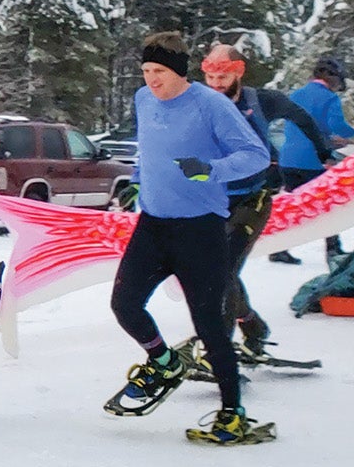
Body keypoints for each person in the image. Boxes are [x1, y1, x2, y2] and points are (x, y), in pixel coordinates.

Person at [103, 31, 276, 444]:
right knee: (124, 304)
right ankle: (163, 361)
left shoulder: (210, 105)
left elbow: (254, 156)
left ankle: (232, 412)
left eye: (159, 71)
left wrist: (211, 170)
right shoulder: (144, 100)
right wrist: (137, 181)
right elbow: (150, 150)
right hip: (153, 223)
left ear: (179, 71)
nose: (151, 80)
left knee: (210, 325)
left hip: (200, 228)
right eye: (145, 71)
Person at [200, 43, 335, 361]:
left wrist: (323, 150)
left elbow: (301, 118)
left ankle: (218, 351)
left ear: (238, 73)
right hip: (213, 201)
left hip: (253, 198)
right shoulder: (198, 102)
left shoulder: (262, 101)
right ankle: (253, 327)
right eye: (211, 77)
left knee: (222, 271)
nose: (216, 84)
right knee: (218, 274)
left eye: (223, 77)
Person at [267, 57, 354, 264]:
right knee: (328, 203)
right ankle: (333, 250)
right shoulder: (329, 98)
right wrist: (351, 132)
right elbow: (338, 125)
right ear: (333, 79)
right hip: (315, 160)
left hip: (288, 159)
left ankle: (278, 248)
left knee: (292, 204)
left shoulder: (296, 94)